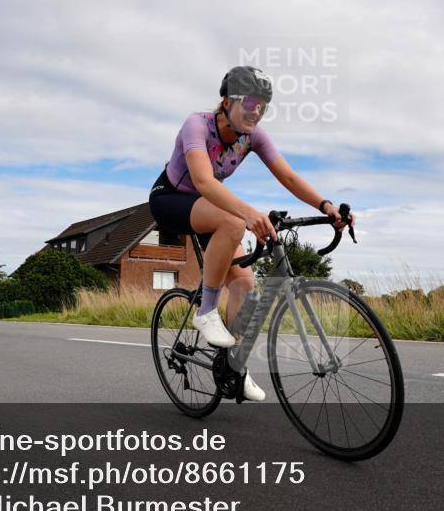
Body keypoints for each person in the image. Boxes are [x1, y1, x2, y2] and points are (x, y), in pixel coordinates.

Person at [148, 66, 355, 402]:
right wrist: (247, 214)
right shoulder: (197, 125)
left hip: (208, 206)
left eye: (263, 106)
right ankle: (205, 312)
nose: (256, 111)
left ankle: (235, 366)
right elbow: (202, 181)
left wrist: (326, 205)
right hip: (171, 199)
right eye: (250, 102)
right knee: (233, 222)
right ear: (227, 101)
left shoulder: (253, 137)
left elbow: (288, 177)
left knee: (245, 285)